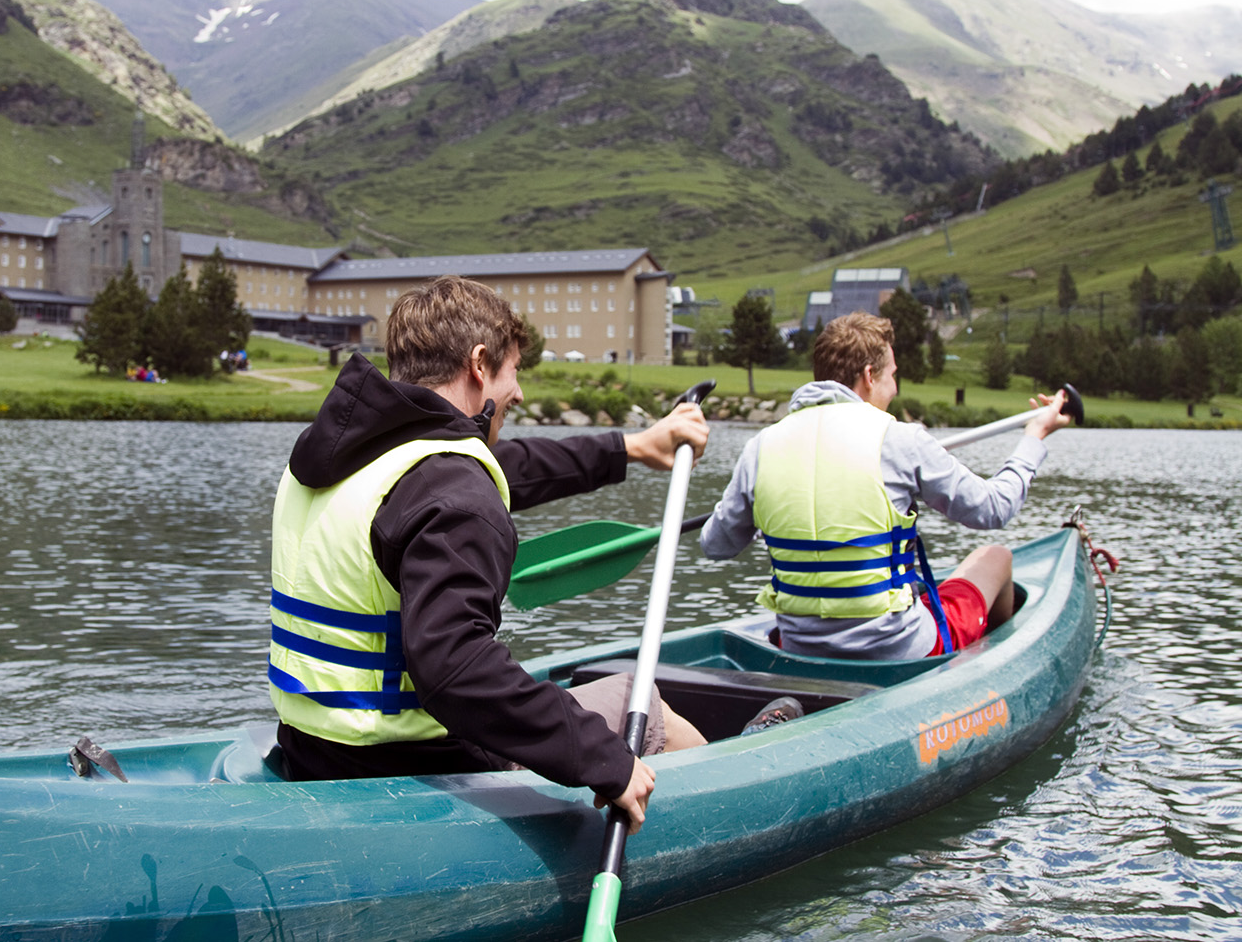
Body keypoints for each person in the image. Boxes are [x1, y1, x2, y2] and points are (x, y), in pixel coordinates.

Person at [269, 275, 709, 835]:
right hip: (417, 769)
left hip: (314, 752)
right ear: (480, 365)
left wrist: (630, 448)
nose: (520, 392)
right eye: (514, 370)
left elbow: (503, 469)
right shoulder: (452, 490)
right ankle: (735, 789)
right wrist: (600, 758)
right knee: (639, 698)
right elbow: (453, 668)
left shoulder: (338, 458)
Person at [697, 311, 1074, 660]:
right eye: (892, 376)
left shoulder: (760, 447)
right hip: (896, 649)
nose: (894, 389)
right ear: (867, 376)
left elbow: (716, 545)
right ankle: (982, 673)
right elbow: (994, 509)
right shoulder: (901, 439)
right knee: (996, 557)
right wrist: (1034, 437)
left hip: (799, 648)